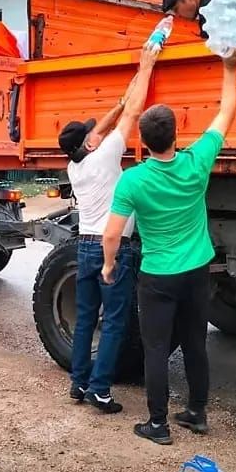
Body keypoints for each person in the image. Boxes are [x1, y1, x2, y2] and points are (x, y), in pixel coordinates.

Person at [100, 48, 236, 445]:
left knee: (157, 348)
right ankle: (197, 413)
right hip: (197, 270)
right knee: (195, 342)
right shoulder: (197, 162)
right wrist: (229, 68)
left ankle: (158, 424)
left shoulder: (133, 181)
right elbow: (226, 112)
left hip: (158, 276)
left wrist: (108, 266)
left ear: (143, 141)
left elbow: (112, 234)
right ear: (176, 135)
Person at [58, 44, 161, 413]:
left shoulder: (76, 165)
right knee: (115, 322)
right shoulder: (105, 155)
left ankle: (78, 383)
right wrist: (146, 67)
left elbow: (107, 123)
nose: (96, 132)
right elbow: (135, 113)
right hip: (111, 248)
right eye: (90, 134)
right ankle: (100, 391)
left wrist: (118, 101)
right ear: (89, 144)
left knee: (87, 319)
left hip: (84, 245)